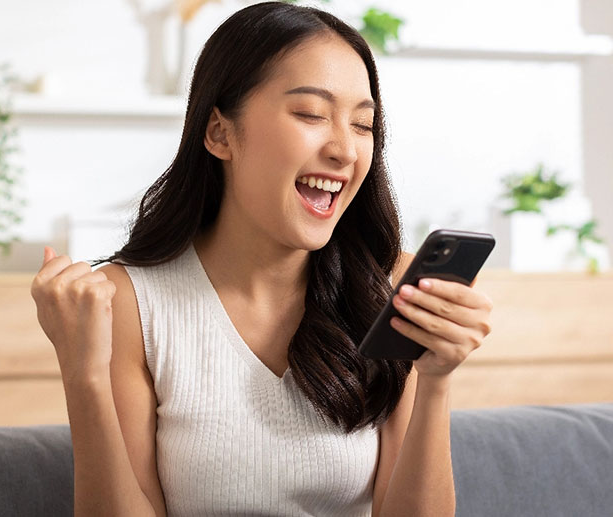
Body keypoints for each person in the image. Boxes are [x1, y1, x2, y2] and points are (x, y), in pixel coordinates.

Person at [30, 2, 493, 516]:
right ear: (220, 133)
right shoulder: (130, 302)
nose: (345, 149)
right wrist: (84, 377)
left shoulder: (387, 287)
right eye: (311, 114)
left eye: (363, 125)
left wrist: (435, 380)